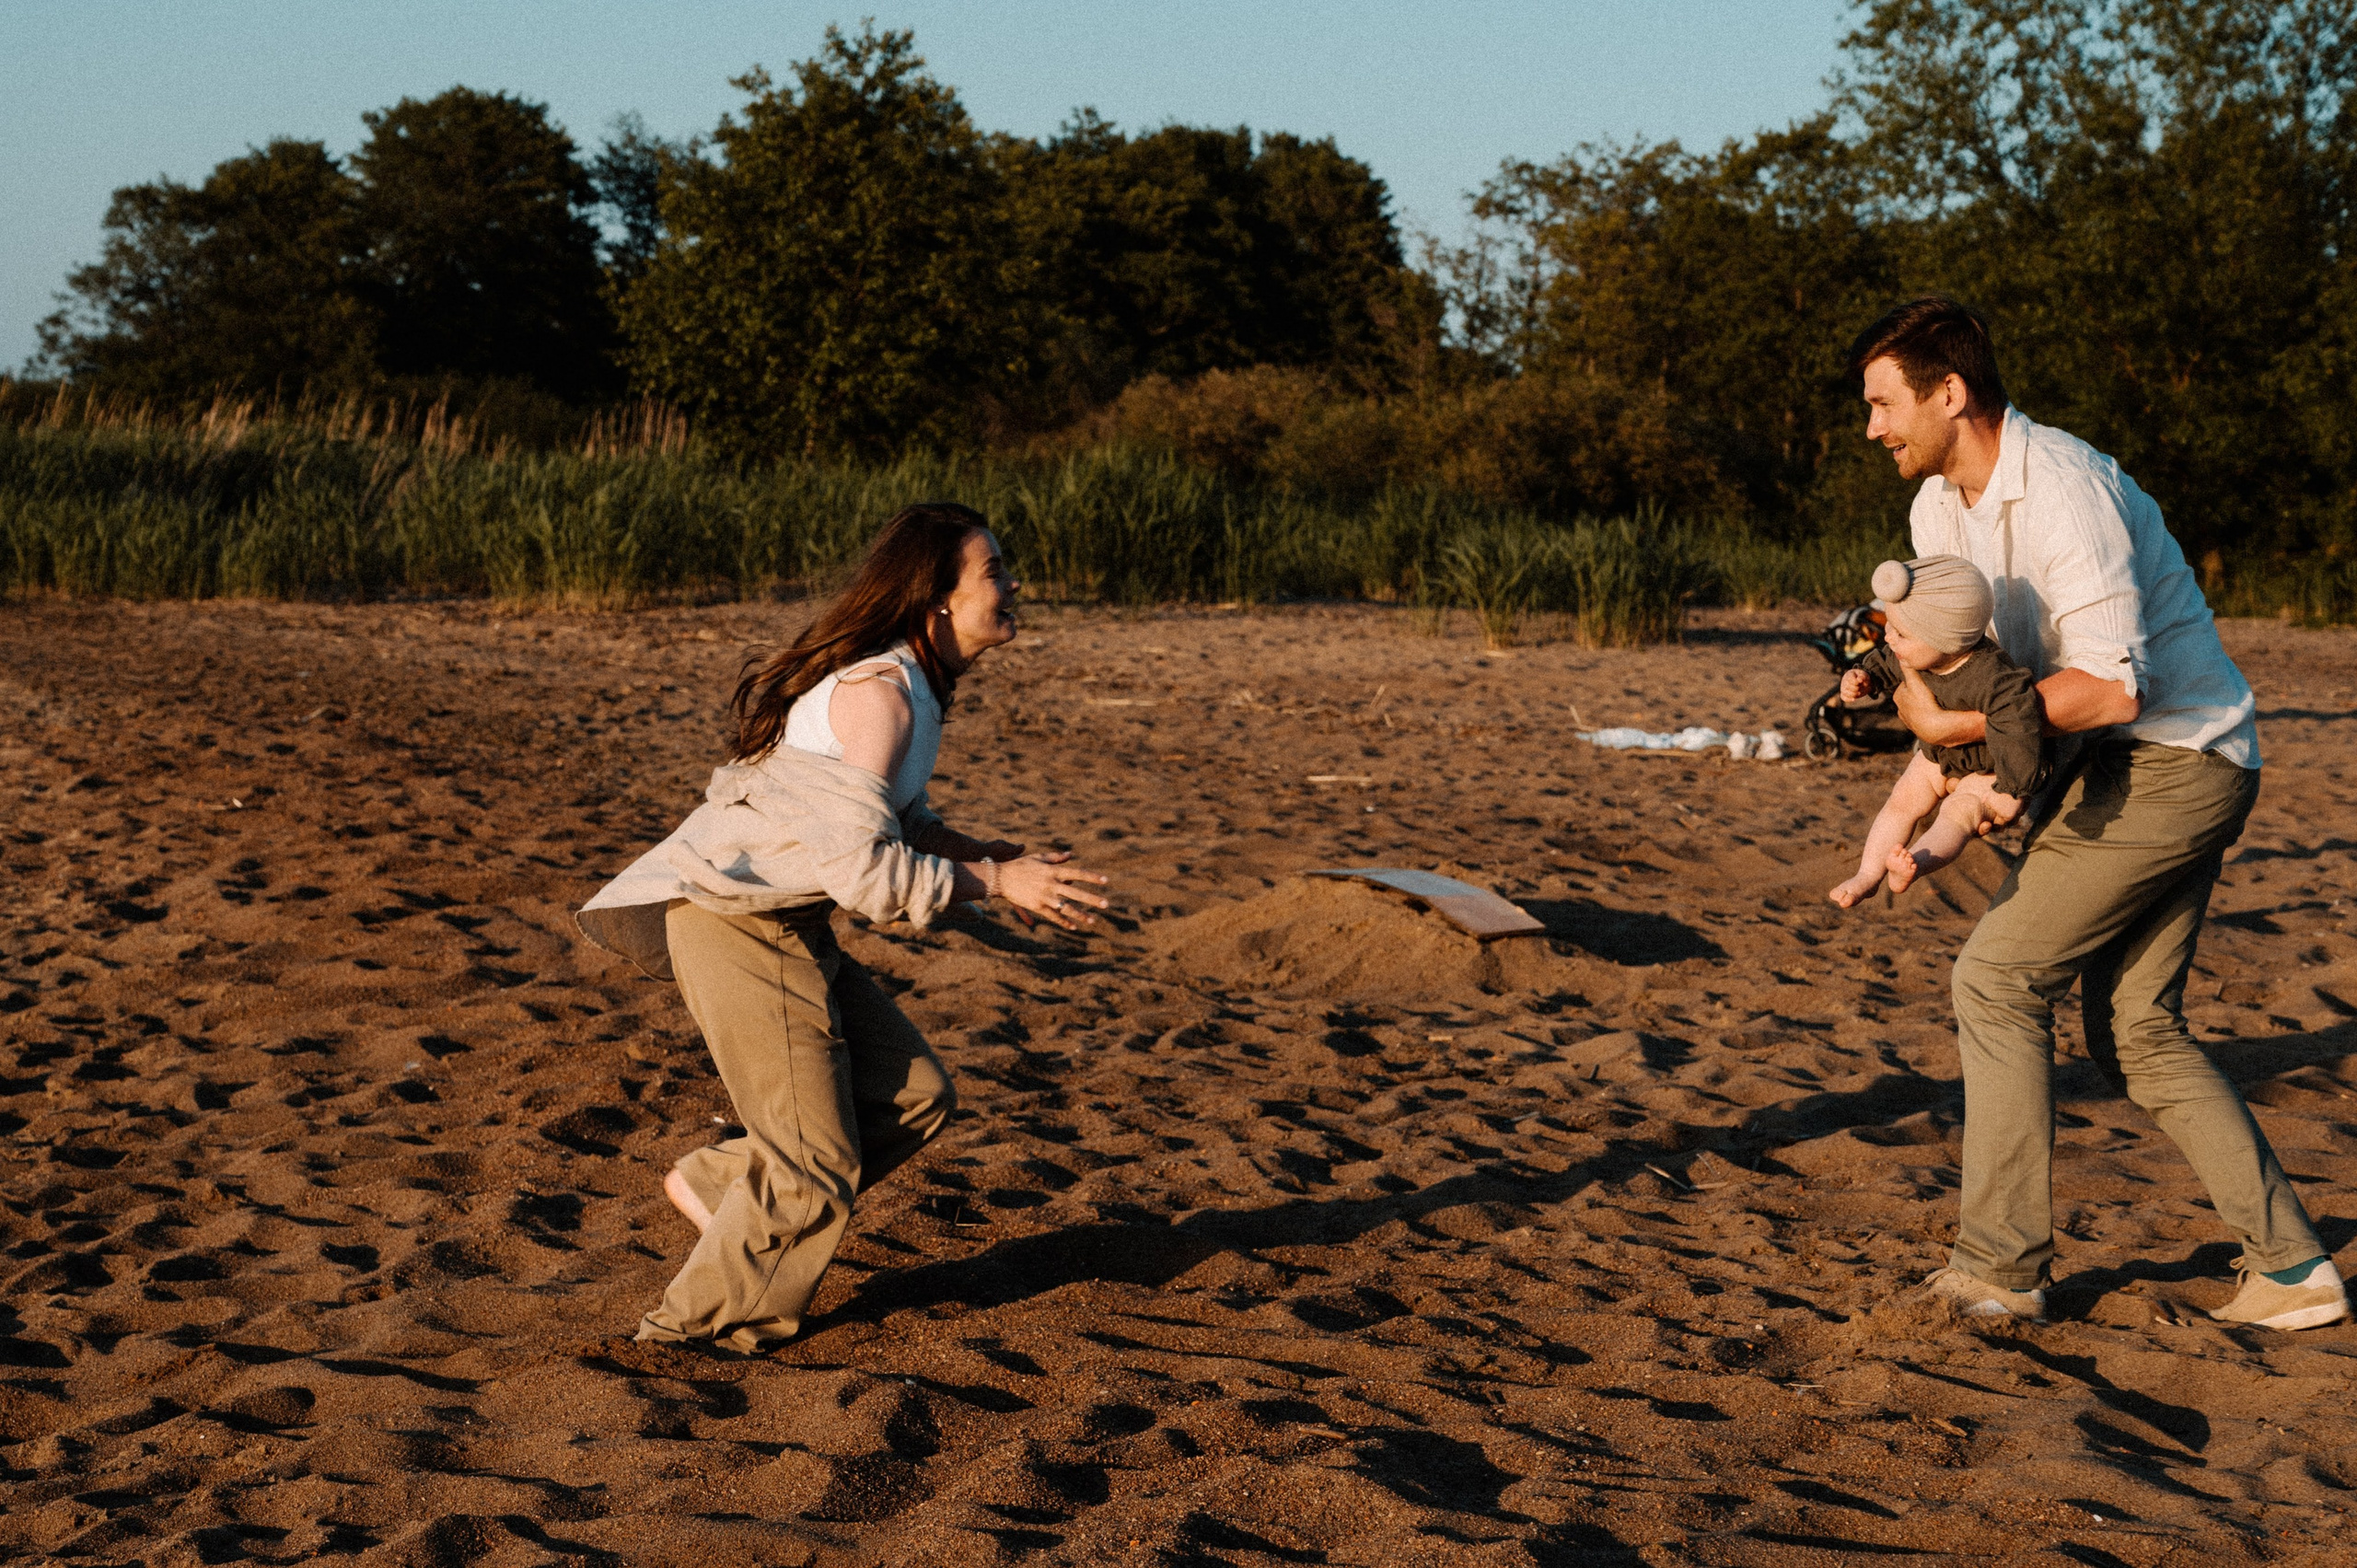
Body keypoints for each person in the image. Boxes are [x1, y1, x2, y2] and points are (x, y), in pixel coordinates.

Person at [1848, 296, 2347, 1330]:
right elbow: (1983, 672)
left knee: (1995, 979)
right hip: (2107, 763)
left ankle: (1999, 1267)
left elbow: (2115, 687)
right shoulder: (1938, 511)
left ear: (1951, 392)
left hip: (2175, 758)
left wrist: (1952, 734)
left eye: (1883, 403)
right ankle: (2294, 1269)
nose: (1871, 427)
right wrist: (1958, 763)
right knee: (2134, 1028)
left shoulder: (2066, 487)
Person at [575, 502, 1110, 1353]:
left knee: (914, 1094)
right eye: (995, 571)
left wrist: (989, 857)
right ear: (936, 597)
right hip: (733, 924)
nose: (1014, 585)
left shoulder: (914, 689)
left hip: (782, 923)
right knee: (812, 1169)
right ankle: (685, 1342)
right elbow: (868, 877)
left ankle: (722, 1189)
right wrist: (999, 882)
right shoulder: (879, 696)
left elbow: (895, 822)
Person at [1827, 553, 2049, 908]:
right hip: (1938, 755)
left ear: (1945, 639)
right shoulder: (1911, 653)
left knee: (1958, 816)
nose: (1889, 637)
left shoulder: (1992, 676)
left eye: (1900, 633)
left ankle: (1915, 865)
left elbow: (2019, 726)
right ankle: (1867, 875)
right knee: (1901, 803)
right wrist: (1864, 677)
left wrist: (2015, 787)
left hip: (1988, 769)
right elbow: (1884, 662)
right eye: (1890, 625)